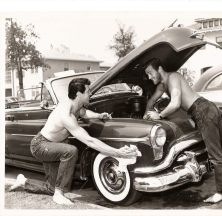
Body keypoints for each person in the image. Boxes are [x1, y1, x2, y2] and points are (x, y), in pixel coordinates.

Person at [10, 78, 138, 205]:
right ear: (78, 94)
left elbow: (83, 112)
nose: (91, 94)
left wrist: (99, 115)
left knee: (51, 188)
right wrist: (117, 152)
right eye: (88, 91)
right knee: (71, 151)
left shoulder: (74, 104)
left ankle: (23, 182)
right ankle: (59, 195)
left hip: (54, 145)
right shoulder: (66, 115)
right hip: (41, 145)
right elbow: (90, 141)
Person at [143, 58, 222, 204]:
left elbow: (176, 102)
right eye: (147, 75)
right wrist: (147, 114)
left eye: (150, 73)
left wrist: (158, 115)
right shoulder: (162, 85)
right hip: (208, 108)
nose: (149, 77)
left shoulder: (173, 77)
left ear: (159, 69)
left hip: (202, 111)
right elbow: (151, 101)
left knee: (215, 154)